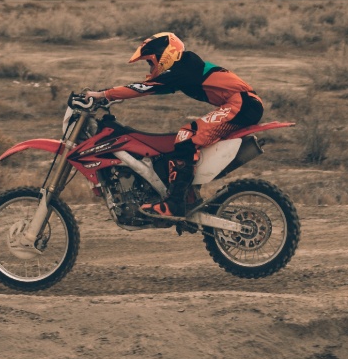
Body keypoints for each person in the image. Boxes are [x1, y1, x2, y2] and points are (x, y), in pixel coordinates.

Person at [85, 31, 263, 220]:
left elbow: (143, 88)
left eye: (150, 61)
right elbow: (149, 88)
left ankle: (175, 203)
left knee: (187, 137)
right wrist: (109, 97)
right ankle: (187, 195)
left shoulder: (184, 67)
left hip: (243, 105)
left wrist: (103, 95)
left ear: (164, 54)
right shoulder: (183, 69)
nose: (151, 66)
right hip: (240, 104)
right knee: (186, 136)